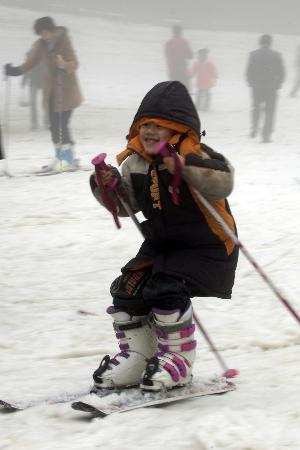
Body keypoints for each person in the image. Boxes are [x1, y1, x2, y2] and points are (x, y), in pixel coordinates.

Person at [90, 81, 238, 392]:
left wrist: (181, 167)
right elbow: (126, 206)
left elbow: (221, 182)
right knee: (127, 289)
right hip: (163, 244)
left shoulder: (197, 155)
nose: (151, 131)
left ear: (180, 130)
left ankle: (178, 360)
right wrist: (107, 187)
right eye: (146, 124)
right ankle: (139, 357)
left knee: (165, 288)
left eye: (161, 125)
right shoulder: (135, 163)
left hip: (207, 245)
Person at [4, 16, 82, 171]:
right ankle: (59, 156)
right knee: (53, 126)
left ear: (52, 30)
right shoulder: (41, 45)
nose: (44, 36)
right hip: (52, 92)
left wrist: (64, 64)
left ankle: (69, 159)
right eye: (41, 33)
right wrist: (15, 71)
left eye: (45, 32)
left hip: (66, 91)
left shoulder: (64, 40)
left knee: (61, 125)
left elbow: (75, 63)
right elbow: (30, 62)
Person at [246, 34, 285, 143]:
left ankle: (254, 127)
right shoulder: (276, 55)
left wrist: (251, 82)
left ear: (260, 42)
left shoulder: (253, 55)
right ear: (270, 43)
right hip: (271, 87)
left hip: (257, 87)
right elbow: (282, 72)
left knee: (256, 108)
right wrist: (279, 84)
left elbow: (249, 71)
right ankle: (266, 135)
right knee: (270, 111)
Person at [21, 46, 48, 130]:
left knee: (46, 103)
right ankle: (34, 123)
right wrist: (24, 81)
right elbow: (26, 68)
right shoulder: (31, 55)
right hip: (34, 82)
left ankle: (46, 122)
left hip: (44, 82)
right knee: (33, 103)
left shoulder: (46, 55)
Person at [164, 25, 193, 90]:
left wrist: (170, 70)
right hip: (183, 68)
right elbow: (190, 56)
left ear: (172, 32)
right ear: (181, 32)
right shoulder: (184, 42)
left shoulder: (169, 43)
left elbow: (168, 57)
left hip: (173, 68)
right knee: (185, 88)